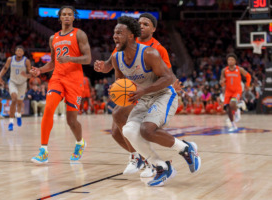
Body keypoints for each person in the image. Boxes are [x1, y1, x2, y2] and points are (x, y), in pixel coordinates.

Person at [111, 16, 201, 186]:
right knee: (128, 130)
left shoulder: (149, 53)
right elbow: (121, 84)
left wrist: (143, 90)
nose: (115, 36)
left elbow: (168, 78)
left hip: (163, 95)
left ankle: (186, 149)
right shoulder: (117, 58)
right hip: (144, 97)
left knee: (147, 130)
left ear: (130, 35)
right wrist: (116, 92)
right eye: (114, 33)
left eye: (119, 33)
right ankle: (161, 167)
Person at [94, 13, 173, 178]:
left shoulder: (157, 49)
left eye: (146, 24)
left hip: (148, 93)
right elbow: (110, 66)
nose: (142, 26)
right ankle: (142, 158)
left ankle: (144, 159)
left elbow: (166, 75)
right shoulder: (123, 43)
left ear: (153, 29)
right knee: (116, 132)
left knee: (119, 115)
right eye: (140, 23)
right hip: (129, 90)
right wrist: (102, 67)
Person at [30, 5, 91, 164]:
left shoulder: (80, 34)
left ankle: (80, 142)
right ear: (59, 18)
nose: (66, 17)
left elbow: (88, 59)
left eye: (69, 14)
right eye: (63, 14)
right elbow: (52, 63)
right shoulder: (53, 38)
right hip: (57, 78)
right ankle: (43, 151)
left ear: (73, 17)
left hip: (74, 80)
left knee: (71, 121)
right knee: (48, 109)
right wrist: (40, 70)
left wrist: (71, 59)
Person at [0, 46, 31, 131]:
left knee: (20, 103)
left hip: (22, 83)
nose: (19, 52)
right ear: (15, 52)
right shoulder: (10, 59)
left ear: (23, 53)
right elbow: (5, 68)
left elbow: (31, 74)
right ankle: (11, 122)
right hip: (13, 82)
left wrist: (26, 75)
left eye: (21, 51)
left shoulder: (26, 61)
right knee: (14, 99)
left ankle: (19, 115)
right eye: (18, 51)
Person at [220, 53, 251, 131]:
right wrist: (222, 82)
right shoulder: (224, 70)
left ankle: (238, 108)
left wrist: (247, 84)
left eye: (232, 60)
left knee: (232, 104)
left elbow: (248, 76)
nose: (230, 61)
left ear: (235, 61)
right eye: (229, 60)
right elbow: (222, 83)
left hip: (237, 91)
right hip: (228, 91)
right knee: (228, 109)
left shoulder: (239, 69)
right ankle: (233, 125)